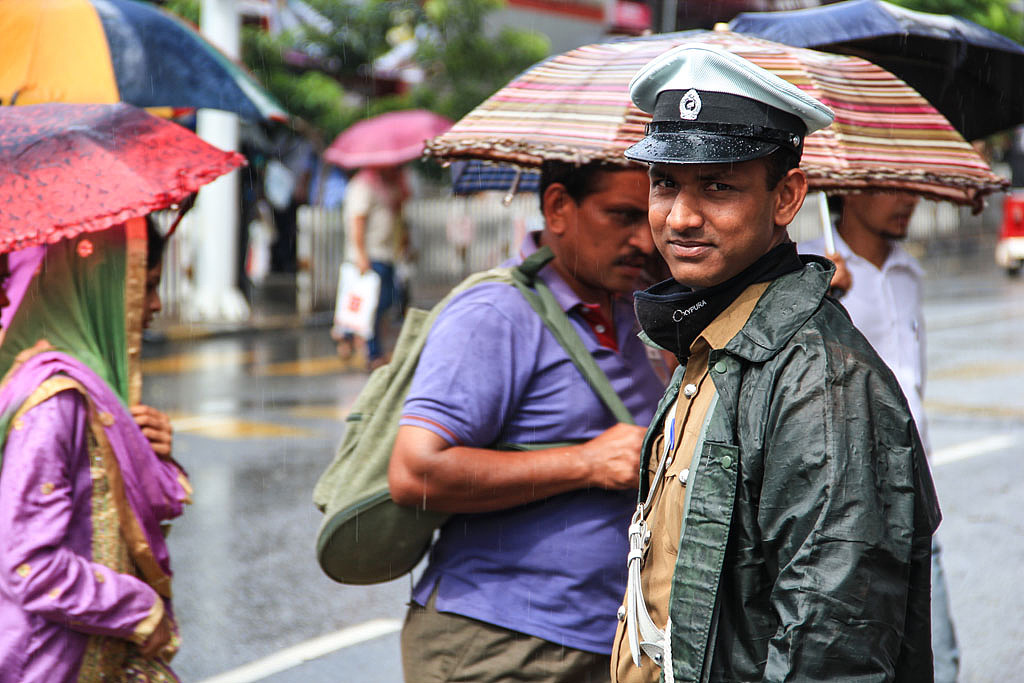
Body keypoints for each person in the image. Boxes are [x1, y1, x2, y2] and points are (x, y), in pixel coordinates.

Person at [610, 44, 940, 681]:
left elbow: (831, 648)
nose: (681, 218)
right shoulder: (712, 338)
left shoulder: (820, 380)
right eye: (665, 184)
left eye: (719, 187)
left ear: (787, 197)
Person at [388, 160, 666, 682]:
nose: (644, 242)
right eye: (622, 216)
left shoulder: (635, 312)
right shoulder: (495, 314)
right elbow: (414, 473)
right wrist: (584, 463)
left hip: (610, 640)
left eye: (648, 219)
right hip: (500, 644)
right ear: (559, 207)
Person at [0, 217, 190, 682]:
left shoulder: (90, 395)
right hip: (47, 664)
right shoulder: (54, 400)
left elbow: (111, 521)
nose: (155, 305)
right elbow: (28, 564)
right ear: (99, 287)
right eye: (143, 287)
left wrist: (148, 452)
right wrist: (142, 609)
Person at [802, 192, 960, 682]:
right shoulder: (808, 266)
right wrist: (818, 300)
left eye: (910, 186)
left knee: (937, 660)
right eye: (890, 186)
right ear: (851, 189)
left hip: (912, 493)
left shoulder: (909, 272)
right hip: (846, 502)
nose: (907, 200)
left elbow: (913, 378)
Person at [336, 165, 409, 368]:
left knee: (383, 304)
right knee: (371, 308)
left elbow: (398, 217)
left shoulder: (386, 185)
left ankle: (348, 335)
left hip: (386, 255)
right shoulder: (362, 186)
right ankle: (371, 351)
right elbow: (357, 222)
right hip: (370, 256)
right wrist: (360, 253)